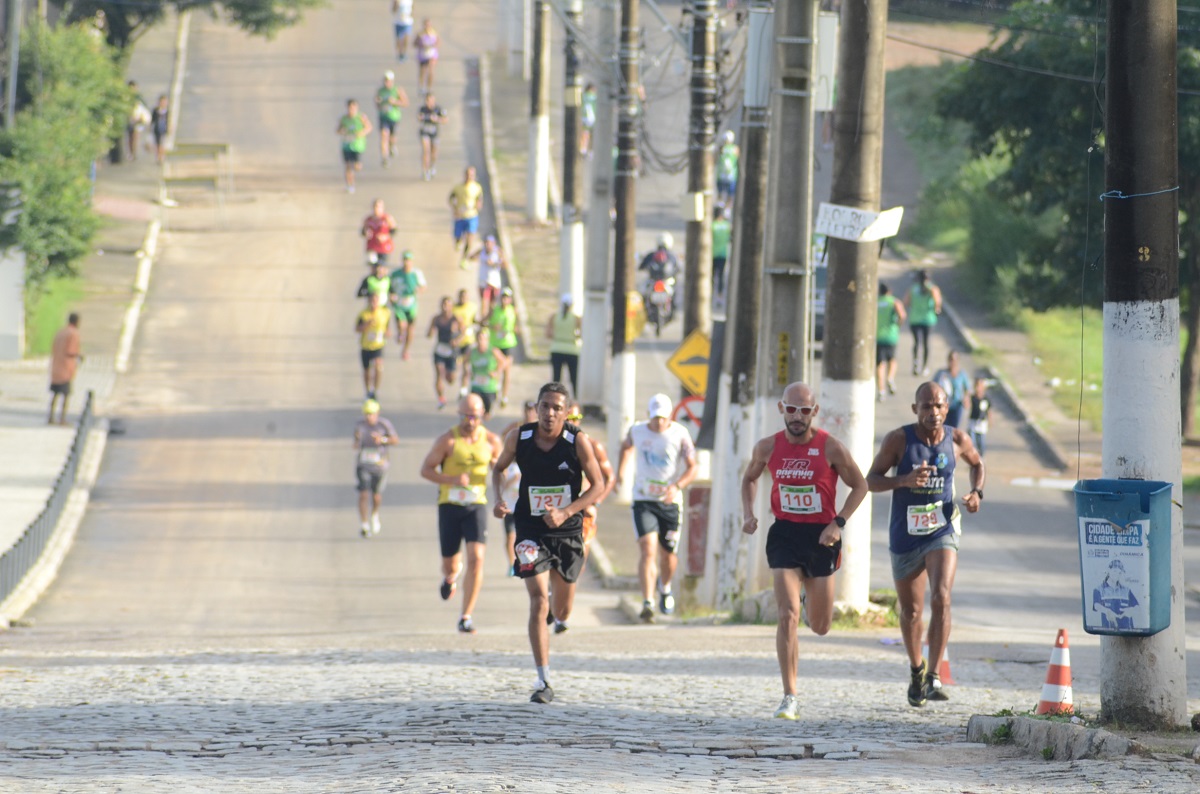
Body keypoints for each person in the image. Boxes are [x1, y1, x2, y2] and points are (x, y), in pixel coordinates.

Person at [740, 382, 868, 720]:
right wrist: (749, 513)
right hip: (784, 533)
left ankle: (811, 596)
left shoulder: (831, 448)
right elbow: (749, 478)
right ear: (782, 409)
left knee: (821, 625)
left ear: (815, 412)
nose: (797, 417)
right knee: (787, 615)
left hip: (821, 537)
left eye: (804, 410)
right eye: (792, 409)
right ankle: (789, 696)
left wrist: (838, 522)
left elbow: (861, 485)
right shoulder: (767, 447)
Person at [865, 381, 984, 708]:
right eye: (927, 406)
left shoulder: (957, 439)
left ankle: (933, 675)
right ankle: (916, 669)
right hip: (905, 534)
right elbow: (870, 480)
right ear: (915, 409)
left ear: (947, 408)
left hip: (941, 528)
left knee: (941, 596)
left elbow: (978, 464)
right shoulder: (899, 440)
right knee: (911, 610)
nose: (933, 412)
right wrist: (903, 480)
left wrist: (976, 494)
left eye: (939, 406)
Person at [491, 382, 606, 704]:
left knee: (560, 607)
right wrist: (499, 500)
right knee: (539, 601)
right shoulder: (520, 437)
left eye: (557, 407)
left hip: (567, 531)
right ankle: (543, 680)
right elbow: (498, 469)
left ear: (567, 412)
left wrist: (567, 511)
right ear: (537, 408)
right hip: (529, 528)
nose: (550, 413)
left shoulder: (577, 442)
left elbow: (599, 486)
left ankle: (560, 616)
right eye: (545, 406)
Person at [420, 393, 504, 634]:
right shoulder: (447, 441)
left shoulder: (491, 441)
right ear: (459, 415)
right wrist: (451, 479)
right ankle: (450, 578)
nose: (470, 421)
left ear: (483, 416)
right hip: (449, 504)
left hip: (476, 505)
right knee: (450, 563)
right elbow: (425, 469)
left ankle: (465, 615)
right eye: (466, 416)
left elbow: (503, 470)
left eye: (475, 416)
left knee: (477, 558)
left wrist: (499, 468)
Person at [616, 393, 699, 623]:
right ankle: (647, 602)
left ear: (670, 416)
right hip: (643, 499)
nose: (659, 423)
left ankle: (665, 586)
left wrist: (677, 486)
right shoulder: (637, 430)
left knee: (668, 555)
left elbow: (693, 467)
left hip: (670, 502)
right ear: (648, 416)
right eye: (655, 418)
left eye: (663, 418)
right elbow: (625, 447)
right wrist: (621, 473)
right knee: (647, 548)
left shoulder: (680, 434)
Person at [498, 400, 540, 576]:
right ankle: (511, 564)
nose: (530, 413)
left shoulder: (541, 428)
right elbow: (502, 436)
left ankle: (529, 562)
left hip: (529, 501)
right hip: (511, 502)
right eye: (527, 410)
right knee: (510, 536)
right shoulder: (517, 427)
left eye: (533, 409)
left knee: (529, 536)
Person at [354, 398, 399, 536]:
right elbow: (355, 444)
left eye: (372, 414)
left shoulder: (384, 425)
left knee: (376, 496)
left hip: (380, 466)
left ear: (377, 413)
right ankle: (364, 524)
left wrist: (382, 440)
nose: (369, 417)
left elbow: (395, 440)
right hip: (364, 464)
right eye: (366, 414)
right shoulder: (360, 426)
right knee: (363, 494)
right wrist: (357, 441)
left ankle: (374, 514)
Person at [389, 251, 426, 361]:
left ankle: (405, 350)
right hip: (399, 303)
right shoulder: (395, 274)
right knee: (401, 325)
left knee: (410, 329)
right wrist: (391, 296)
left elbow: (423, 286)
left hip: (411, 304)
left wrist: (419, 290)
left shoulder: (416, 273)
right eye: (405, 260)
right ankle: (400, 333)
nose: (407, 262)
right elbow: (390, 287)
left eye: (409, 260)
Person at [904, 269, 942, 376]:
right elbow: (937, 302)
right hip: (928, 319)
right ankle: (925, 366)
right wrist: (936, 309)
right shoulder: (933, 289)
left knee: (917, 342)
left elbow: (906, 302)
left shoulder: (913, 289)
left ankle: (915, 363)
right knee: (926, 343)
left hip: (915, 319)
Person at [465, 329, 510, 418]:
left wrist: (496, 372)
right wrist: (467, 371)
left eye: (482, 339)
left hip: (489, 387)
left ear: (487, 340)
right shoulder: (472, 351)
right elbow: (465, 362)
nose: (480, 341)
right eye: (478, 338)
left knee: (487, 414)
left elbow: (504, 362)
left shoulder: (493, 351)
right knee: (474, 411)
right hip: (476, 385)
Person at [428, 296, 463, 409]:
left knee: (451, 378)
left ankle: (449, 377)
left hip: (451, 351)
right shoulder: (437, 318)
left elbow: (464, 331)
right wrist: (431, 332)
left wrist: (457, 340)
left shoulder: (456, 319)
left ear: (451, 306)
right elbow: (430, 332)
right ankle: (441, 398)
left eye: (448, 305)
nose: (445, 308)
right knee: (439, 373)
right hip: (440, 349)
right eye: (443, 305)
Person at [48, 313, 83, 425]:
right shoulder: (73, 333)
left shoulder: (60, 332)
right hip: (66, 368)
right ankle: (62, 418)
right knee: (65, 395)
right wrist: (79, 356)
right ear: (76, 322)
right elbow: (71, 351)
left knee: (55, 394)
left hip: (56, 366)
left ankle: (51, 416)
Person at [487, 288, 519, 408]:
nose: (505, 300)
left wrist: (515, 329)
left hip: (508, 343)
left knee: (506, 369)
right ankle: (495, 389)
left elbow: (517, 326)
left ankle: (504, 396)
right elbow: (486, 321)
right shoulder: (494, 310)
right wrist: (492, 326)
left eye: (507, 298)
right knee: (496, 367)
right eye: (503, 297)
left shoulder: (513, 311)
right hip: (496, 343)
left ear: (510, 299)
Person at [356, 291, 391, 400]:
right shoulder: (363, 314)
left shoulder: (385, 313)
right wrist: (367, 324)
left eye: (376, 300)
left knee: (378, 366)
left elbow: (387, 328)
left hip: (378, 345)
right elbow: (357, 328)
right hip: (366, 345)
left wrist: (387, 333)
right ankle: (368, 390)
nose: (374, 303)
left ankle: (375, 390)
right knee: (367, 371)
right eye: (372, 300)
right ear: (369, 301)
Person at [876, 282, 907, 401]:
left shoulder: (876, 303)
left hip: (878, 336)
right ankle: (890, 378)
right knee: (892, 360)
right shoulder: (894, 302)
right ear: (889, 291)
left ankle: (881, 390)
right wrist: (897, 325)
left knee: (880, 364)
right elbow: (902, 316)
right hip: (891, 336)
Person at [546, 293, 581, 397]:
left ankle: (555, 396)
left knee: (556, 377)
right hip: (572, 349)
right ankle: (576, 398)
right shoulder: (576, 318)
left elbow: (548, 334)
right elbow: (581, 334)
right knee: (574, 377)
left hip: (556, 348)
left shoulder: (554, 317)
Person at [449, 166, 484, 267]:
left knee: (470, 238)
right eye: (468, 175)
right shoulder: (458, 187)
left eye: (472, 175)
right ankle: (458, 241)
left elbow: (479, 200)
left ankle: (464, 258)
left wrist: (478, 206)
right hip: (460, 216)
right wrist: (455, 209)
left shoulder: (477, 188)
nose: (470, 177)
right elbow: (451, 199)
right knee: (458, 238)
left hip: (472, 216)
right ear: (465, 175)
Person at [337, 99, 373, 193]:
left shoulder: (361, 117)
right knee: (348, 166)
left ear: (357, 108)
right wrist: (342, 131)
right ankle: (350, 185)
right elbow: (338, 130)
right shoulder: (344, 118)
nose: (351, 109)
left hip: (358, 146)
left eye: (353, 107)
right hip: (346, 146)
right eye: (350, 107)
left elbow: (369, 127)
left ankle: (355, 170)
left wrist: (361, 133)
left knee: (357, 167)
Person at [374, 71, 408, 167]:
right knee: (384, 135)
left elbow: (405, 103)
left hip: (394, 117)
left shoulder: (397, 90)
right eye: (385, 80)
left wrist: (395, 102)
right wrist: (378, 103)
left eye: (389, 81)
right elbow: (377, 104)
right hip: (383, 116)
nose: (387, 82)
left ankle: (392, 146)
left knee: (392, 137)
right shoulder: (380, 91)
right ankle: (384, 158)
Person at [471, 234, 508, 319]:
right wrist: (476, 258)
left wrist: (494, 263)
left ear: (494, 243)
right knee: (484, 302)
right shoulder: (481, 251)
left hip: (494, 282)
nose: (488, 245)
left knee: (493, 304)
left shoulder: (497, 252)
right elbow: (471, 257)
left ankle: (490, 319)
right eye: (486, 243)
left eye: (489, 243)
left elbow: (505, 265)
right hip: (483, 282)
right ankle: (483, 320)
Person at [933, 350, 971, 430]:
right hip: (943, 406)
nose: (953, 362)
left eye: (955, 360)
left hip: (957, 405)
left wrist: (966, 399)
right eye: (951, 359)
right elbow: (933, 386)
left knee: (954, 428)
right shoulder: (941, 374)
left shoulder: (962, 374)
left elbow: (967, 389)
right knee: (943, 427)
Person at [452, 288, 479, 395]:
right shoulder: (454, 309)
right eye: (461, 297)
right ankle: (454, 378)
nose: (463, 299)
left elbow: (474, 319)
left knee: (466, 366)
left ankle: (463, 389)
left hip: (468, 340)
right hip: (457, 341)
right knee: (456, 366)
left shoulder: (472, 307)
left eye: (465, 297)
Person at [417, 92, 447, 180]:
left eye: (431, 100)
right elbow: (419, 117)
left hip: (434, 133)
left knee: (434, 153)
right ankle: (425, 170)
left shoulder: (438, 109)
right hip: (425, 132)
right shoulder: (423, 109)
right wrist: (421, 117)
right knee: (426, 151)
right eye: (427, 100)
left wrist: (437, 119)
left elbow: (445, 120)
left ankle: (432, 166)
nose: (429, 102)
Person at [361, 198, 397, 265]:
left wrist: (386, 236)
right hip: (372, 246)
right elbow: (363, 231)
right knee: (372, 266)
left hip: (383, 247)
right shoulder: (368, 219)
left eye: (378, 207)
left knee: (381, 266)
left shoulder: (387, 218)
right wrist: (365, 233)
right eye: (375, 206)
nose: (376, 208)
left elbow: (394, 230)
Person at [414, 19, 440, 95]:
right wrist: (421, 45)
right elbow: (414, 44)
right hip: (423, 55)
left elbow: (438, 43)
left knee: (431, 71)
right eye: (426, 25)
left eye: (428, 25)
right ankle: (422, 87)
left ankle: (429, 88)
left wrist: (434, 45)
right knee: (422, 71)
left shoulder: (434, 33)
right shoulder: (420, 34)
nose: (427, 26)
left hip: (432, 54)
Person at [967, 376, 991, 456]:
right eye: (976, 386)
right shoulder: (972, 398)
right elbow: (966, 405)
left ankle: (981, 458)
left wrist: (990, 420)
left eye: (980, 386)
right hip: (973, 423)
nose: (978, 388)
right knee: (972, 442)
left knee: (981, 443)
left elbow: (989, 410)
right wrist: (967, 395)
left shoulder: (986, 399)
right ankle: (973, 459)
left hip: (982, 424)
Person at [126, 81, 150, 162]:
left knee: (135, 136)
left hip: (138, 120)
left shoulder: (139, 98)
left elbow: (144, 108)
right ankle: (130, 152)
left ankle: (134, 153)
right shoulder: (126, 97)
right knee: (130, 137)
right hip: (129, 120)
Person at [711, 205, 732, 296]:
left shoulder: (712, 225)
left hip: (713, 254)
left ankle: (711, 291)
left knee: (712, 275)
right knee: (721, 275)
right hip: (723, 254)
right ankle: (720, 293)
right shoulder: (727, 226)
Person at [716, 130, 739, 207]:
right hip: (730, 175)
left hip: (723, 174)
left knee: (721, 192)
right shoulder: (735, 148)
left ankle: (721, 205)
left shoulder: (722, 148)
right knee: (730, 194)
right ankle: (727, 208)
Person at [150, 94, 170, 165]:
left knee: (163, 144)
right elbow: (152, 121)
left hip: (164, 129)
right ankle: (158, 157)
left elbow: (169, 121)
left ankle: (162, 157)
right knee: (158, 144)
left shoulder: (168, 111)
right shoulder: (156, 111)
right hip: (157, 129)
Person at [579, 83, 597, 158]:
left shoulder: (584, 96)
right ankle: (584, 149)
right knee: (586, 134)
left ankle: (584, 149)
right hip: (588, 118)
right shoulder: (591, 97)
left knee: (586, 134)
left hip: (586, 118)